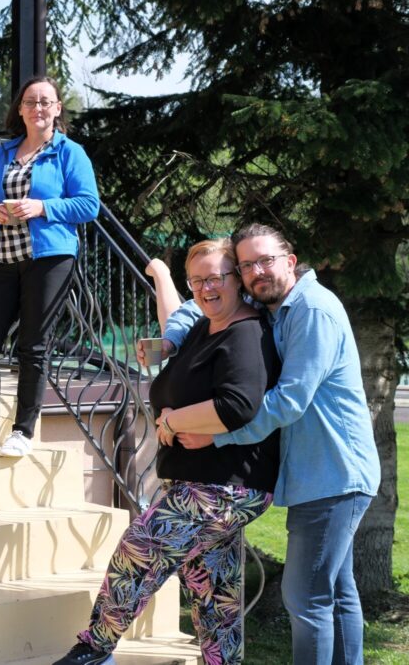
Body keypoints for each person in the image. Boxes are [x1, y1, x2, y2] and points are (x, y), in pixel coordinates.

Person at [161, 224, 381, 665]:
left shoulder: (312, 311)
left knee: (305, 597)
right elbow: (197, 305)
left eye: (266, 260)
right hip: (319, 476)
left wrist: (219, 434)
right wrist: (172, 335)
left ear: (290, 261)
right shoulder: (276, 306)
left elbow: (289, 401)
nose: (257, 272)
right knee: (336, 594)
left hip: (334, 474)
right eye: (246, 265)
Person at [55, 238, 281, 665]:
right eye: (196, 281)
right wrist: (161, 276)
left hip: (225, 485)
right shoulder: (204, 327)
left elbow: (238, 405)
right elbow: (176, 316)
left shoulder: (246, 333)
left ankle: (93, 650)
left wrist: (174, 422)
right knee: (214, 596)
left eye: (215, 278)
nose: (205, 288)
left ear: (237, 279)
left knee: (139, 550)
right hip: (198, 480)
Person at [0, 75, 100, 458]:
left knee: (33, 347)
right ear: (20, 109)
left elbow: (89, 205)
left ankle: (22, 432)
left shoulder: (70, 152)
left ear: (57, 108)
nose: (38, 108)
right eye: (31, 101)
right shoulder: (3, 154)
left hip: (49, 259)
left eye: (45, 101)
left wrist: (43, 207)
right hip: (2, 257)